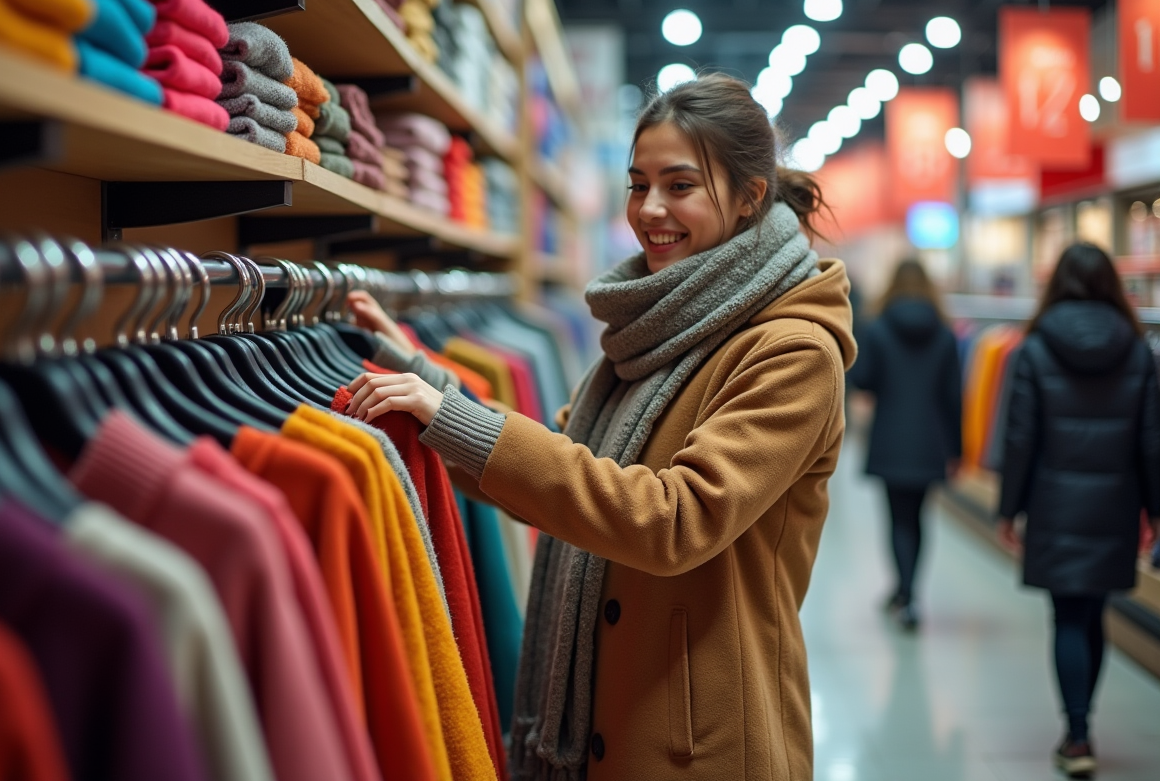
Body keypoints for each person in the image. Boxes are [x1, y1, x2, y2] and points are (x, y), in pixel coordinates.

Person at [341, 73, 856, 780]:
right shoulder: (658, 328)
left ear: (749, 197)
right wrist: (414, 374)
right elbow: (562, 466)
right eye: (637, 183)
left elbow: (675, 519)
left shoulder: (792, 351)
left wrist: (450, 415)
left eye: (680, 186)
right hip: (611, 721)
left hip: (700, 742)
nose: (650, 210)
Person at [997, 242, 1160, 779]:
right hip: (1116, 503)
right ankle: (1082, 727)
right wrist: (1156, 511)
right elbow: (1152, 442)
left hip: (1054, 502)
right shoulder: (1139, 351)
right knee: (1095, 614)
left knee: (1066, 615)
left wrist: (1008, 509)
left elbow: (1019, 438)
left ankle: (1077, 732)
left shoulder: (1035, 348)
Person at [848, 258, 962, 630]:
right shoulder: (945, 334)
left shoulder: (877, 329)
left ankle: (904, 593)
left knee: (897, 519)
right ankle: (910, 592)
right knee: (919, 518)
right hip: (931, 440)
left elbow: (863, 380)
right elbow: (952, 396)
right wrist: (956, 450)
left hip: (891, 437)